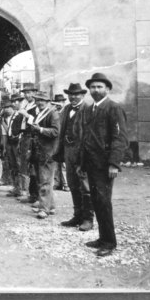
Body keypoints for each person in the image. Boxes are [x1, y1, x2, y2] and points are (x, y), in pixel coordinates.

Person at [78, 73, 128, 257]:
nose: (95, 90)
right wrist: (82, 163)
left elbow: (119, 138)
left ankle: (109, 242)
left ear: (107, 89)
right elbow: (87, 138)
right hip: (91, 164)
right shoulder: (90, 109)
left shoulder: (113, 108)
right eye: (92, 87)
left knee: (104, 202)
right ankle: (102, 238)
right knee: (97, 201)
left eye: (99, 87)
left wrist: (114, 163)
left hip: (105, 165)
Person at [56, 83, 93, 231]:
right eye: (70, 94)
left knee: (85, 186)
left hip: (82, 152)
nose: (73, 97)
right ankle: (77, 215)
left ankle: (88, 219)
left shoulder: (88, 109)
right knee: (72, 184)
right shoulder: (66, 109)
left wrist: (86, 153)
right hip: (68, 150)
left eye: (76, 94)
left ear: (83, 95)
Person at [28, 90, 60, 219]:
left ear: (48, 102)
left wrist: (40, 129)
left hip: (48, 152)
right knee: (43, 180)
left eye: (42, 100)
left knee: (45, 181)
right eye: (38, 100)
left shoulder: (53, 114)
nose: (39, 102)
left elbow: (55, 132)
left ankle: (44, 209)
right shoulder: (40, 113)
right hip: (39, 152)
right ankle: (50, 206)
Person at [16, 83, 39, 204]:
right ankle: (28, 192)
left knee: (33, 164)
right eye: (25, 93)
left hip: (32, 136)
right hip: (24, 135)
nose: (27, 95)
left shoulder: (37, 105)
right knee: (24, 162)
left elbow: (38, 121)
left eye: (29, 92)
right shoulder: (25, 104)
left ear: (34, 93)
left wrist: (27, 115)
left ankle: (35, 195)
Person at [6, 93, 26, 197]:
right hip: (10, 142)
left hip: (17, 142)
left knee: (19, 165)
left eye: (16, 101)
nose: (14, 103)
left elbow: (24, 129)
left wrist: (18, 137)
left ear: (20, 102)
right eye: (13, 102)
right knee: (12, 165)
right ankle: (16, 187)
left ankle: (22, 189)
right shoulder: (14, 113)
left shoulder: (23, 114)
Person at [0, 99, 14, 186]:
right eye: (4, 108)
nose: (5, 110)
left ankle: (9, 179)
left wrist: (2, 122)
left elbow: (9, 132)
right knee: (5, 159)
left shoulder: (14, 117)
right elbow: (3, 133)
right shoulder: (4, 118)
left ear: (11, 108)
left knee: (11, 161)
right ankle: (5, 178)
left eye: (7, 108)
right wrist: (3, 145)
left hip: (13, 142)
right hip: (7, 141)